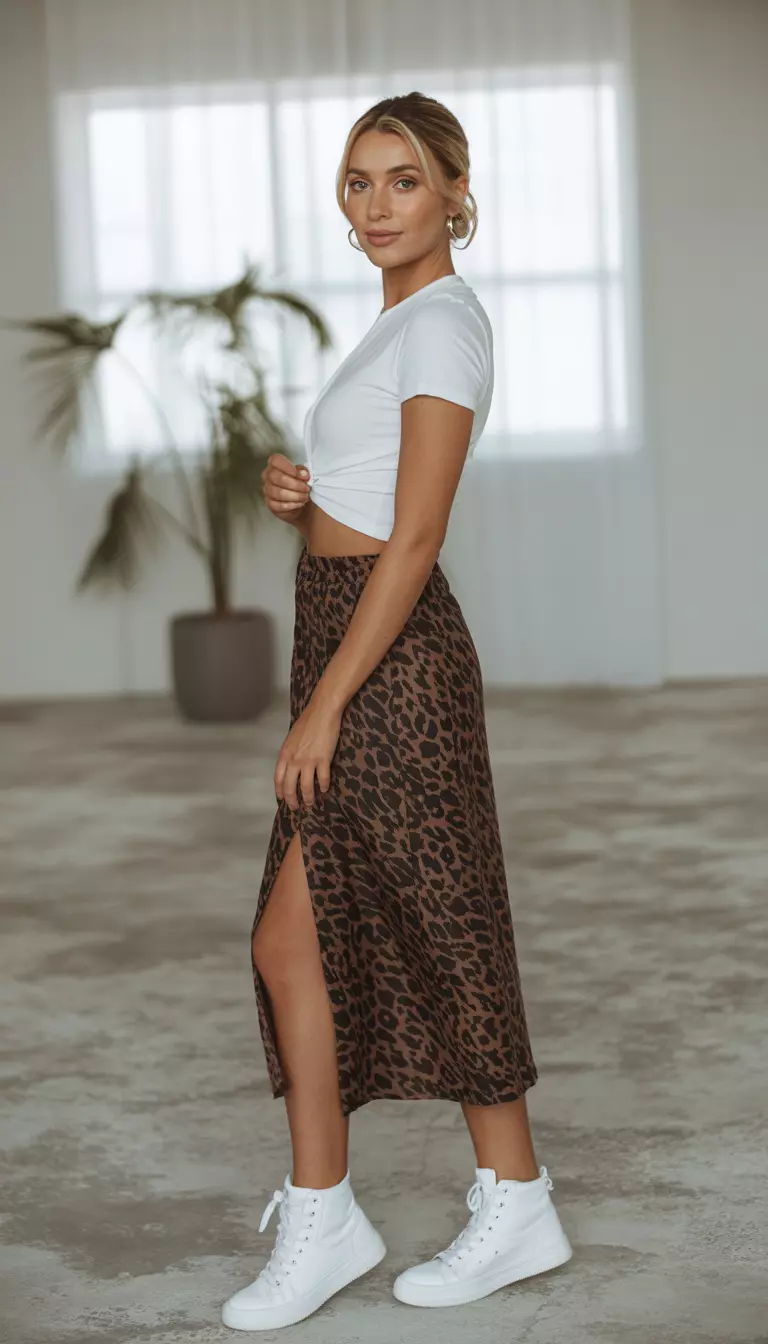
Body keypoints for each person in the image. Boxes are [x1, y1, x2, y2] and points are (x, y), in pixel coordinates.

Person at [221, 92, 572, 1333]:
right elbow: (373, 497)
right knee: (298, 940)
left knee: (440, 919)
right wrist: (301, 493)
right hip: (347, 624)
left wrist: (325, 707)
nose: (376, 205)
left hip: (391, 657)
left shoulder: (443, 325)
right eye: (359, 182)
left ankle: (515, 1198)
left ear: (456, 195)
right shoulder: (399, 325)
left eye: (405, 180)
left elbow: (416, 537)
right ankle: (329, 1214)